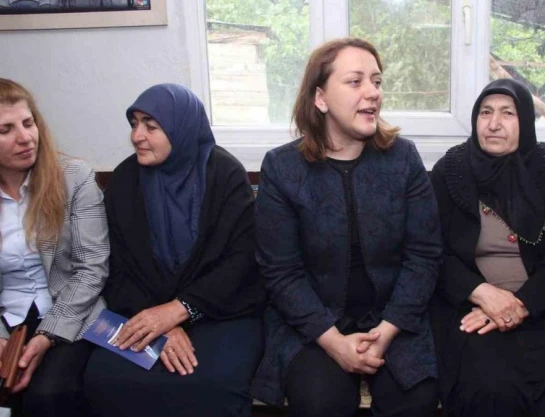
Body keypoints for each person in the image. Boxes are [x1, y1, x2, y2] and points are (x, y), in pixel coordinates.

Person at [250, 38, 442, 417]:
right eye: (355, 82)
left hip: (394, 318)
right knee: (321, 404)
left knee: (414, 401)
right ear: (320, 98)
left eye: (377, 81)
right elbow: (281, 272)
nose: (372, 92)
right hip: (313, 325)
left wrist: (387, 331)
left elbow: (424, 256)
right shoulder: (282, 168)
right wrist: (334, 342)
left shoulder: (403, 158)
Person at [83, 83, 265, 417]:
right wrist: (160, 320)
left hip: (220, 310)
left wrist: (180, 309)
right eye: (134, 124)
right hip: (143, 308)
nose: (137, 136)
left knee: (211, 383)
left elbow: (242, 263)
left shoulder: (224, 174)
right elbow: (115, 268)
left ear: (182, 129)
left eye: (151, 126)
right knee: (105, 378)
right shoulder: (125, 180)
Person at [430, 78, 545, 417]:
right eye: (485, 112)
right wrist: (483, 294)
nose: (494, 123)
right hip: (473, 310)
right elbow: (433, 251)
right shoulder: (451, 171)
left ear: (525, 119)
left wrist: (523, 303)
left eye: (507, 113)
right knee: (491, 390)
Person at [0, 78, 108, 416]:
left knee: (47, 395)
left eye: (28, 123)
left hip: (69, 313)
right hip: (7, 318)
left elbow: (92, 269)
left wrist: (47, 335)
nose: (25, 137)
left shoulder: (74, 177)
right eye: (5, 130)